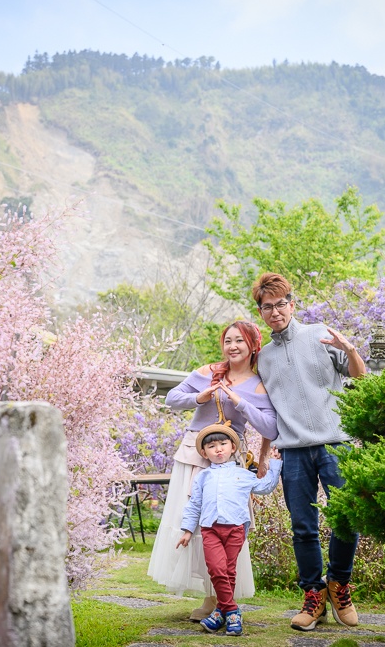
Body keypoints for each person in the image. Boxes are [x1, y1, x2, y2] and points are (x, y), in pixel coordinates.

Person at [251, 272, 367, 632]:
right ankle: (313, 595)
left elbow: (359, 376)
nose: (274, 312)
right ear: (261, 312)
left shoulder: (320, 333)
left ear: (292, 303)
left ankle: (339, 584)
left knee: (347, 519)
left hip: (336, 443)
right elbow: (270, 411)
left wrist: (348, 349)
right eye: (266, 307)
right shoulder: (263, 358)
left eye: (280, 303)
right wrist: (264, 453)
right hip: (294, 453)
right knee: (303, 528)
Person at [147, 320, 279, 621]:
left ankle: (220, 597)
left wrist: (239, 402)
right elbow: (171, 399)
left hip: (228, 462)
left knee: (224, 524)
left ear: (253, 346)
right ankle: (211, 596)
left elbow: (270, 426)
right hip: (194, 454)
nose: (233, 346)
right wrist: (200, 397)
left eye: (239, 341)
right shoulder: (207, 373)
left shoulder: (257, 385)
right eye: (228, 340)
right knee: (193, 521)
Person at [177, 424, 283, 636]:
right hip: (210, 529)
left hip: (235, 529)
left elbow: (265, 487)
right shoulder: (203, 477)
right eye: (212, 446)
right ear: (203, 452)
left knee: (228, 571)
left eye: (223, 444)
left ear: (233, 447)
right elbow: (195, 504)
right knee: (216, 569)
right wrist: (188, 530)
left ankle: (220, 612)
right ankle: (232, 611)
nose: (218, 449)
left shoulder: (242, 474)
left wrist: (275, 464)